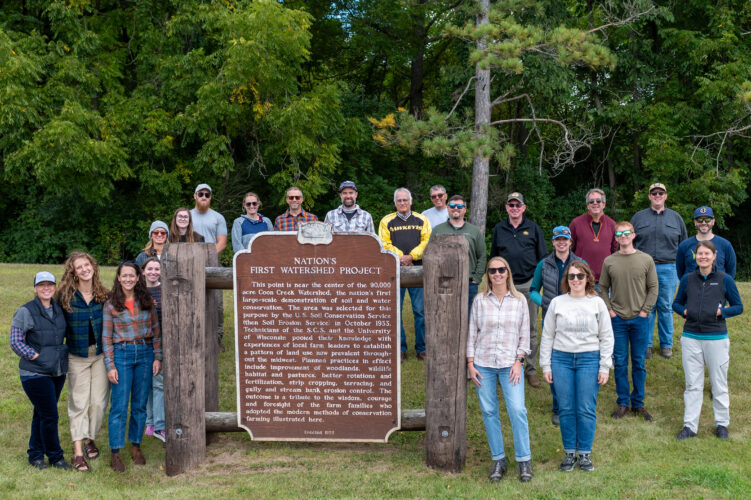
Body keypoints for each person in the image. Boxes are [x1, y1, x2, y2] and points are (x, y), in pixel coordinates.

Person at [540, 261, 613, 472]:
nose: (575, 280)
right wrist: (546, 365)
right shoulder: (557, 303)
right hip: (561, 359)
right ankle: (570, 452)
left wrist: (604, 366)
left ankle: (585, 454)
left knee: (586, 408)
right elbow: (548, 335)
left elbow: (606, 336)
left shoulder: (597, 303)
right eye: (571, 276)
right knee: (566, 408)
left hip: (589, 358)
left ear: (588, 278)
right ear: (566, 280)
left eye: (580, 276)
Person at [467, 257, 533, 483]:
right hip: (483, 363)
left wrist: (519, 361)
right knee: (489, 412)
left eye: (501, 270)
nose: (497, 274)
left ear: (508, 273)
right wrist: (470, 363)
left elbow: (525, 333)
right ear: (488, 274)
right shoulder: (479, 300)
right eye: (492, 270)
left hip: (510, 365)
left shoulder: (519, 300)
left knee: (517, 410)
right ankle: (499, 459)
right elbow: (472, 333)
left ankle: (524, 460)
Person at [673, 241, 743, 440]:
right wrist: (684, 311)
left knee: (718, 383)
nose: (703, 257)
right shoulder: (688, 279)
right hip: (691, 337)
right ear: (695, 256)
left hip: (716, 337)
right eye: (699, 254)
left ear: (714, 256)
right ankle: (689, 426)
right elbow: (676, 304)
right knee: (692, 384)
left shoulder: (725, 279)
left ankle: (722, 424)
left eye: (707, 254)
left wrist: (722, 312)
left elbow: (738, 306)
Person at [102, 262, 162, 473]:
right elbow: (106, 338)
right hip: (122, 355)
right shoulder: (111, 304)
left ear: (138, 277)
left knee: (139, 404)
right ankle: (115, 451)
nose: (128, 279)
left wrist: (157, 357)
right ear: (119, 278)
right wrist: (110, 365)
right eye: (124, 276)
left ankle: (136, 446)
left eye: (132, 276)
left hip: (145, 354)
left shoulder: (147, 301)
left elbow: (156, 331)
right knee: (119, 405)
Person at [10, 271, 72, 470]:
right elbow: (16, 342)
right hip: (34, 373)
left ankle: (35, 455)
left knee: (42, 413)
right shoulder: (26, 311)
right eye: (41, 285)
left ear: (54, 287)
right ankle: (55, 457)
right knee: (50, 415)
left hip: (57, 371)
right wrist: (37, 357)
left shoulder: (59, 309)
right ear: (35, 288)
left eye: (50, 284)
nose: (46, 288)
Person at [55, 252, 110, 472]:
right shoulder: (65, 295)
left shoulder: (103, 294)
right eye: (79, 267)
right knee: (79, 403)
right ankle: (78, 452)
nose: (84, 269)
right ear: (73, 272)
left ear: (93, 267)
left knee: (98, 402)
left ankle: (89, 438)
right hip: (76, 356)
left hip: (99, 355)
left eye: (87, 265)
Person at [599, 221, 658, 421]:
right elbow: (602, 287)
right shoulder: (609, 261)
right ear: (615, 238)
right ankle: (623, 402)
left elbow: (653, 288)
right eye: (619, 233)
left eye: (627, 232)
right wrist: (610, 311)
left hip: (640, 319)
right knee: (621, 362)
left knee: (639, 363)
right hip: (618, 320)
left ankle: (638, 403)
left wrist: (645, 311)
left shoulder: (646, 259)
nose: (623, 236)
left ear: (633, 235)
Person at [490, 192, 547, 388]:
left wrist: (538, 284)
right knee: (505, 327)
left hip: (529, 285)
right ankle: (504, 368)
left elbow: (543, 259)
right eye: (511, 205)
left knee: (530, 328)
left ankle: (530, 370)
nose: (514, 208)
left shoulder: (533, 228)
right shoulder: (499, 229)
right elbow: (494, 259)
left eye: (518, 205)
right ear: (506, 207)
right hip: (506, 285)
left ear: (523, 208)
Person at [529, 226, 584, 426]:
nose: (561, 242)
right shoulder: (544, 264)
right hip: (551, 320)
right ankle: (558, 407)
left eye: (565, 239)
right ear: (553, 242)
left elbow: (589, 288)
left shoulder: (580, 264)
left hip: (576, 321)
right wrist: (546, 303)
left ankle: (577, 405)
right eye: (558, 239)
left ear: (571, 242)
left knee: (576, 361)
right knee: (556, 364)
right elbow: (533, 289)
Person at [631, 183, 687, 359]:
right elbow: (628, 242)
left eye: (660, 193)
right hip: (643, 268)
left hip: (669, 268)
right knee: (646, 306)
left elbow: (684, 245)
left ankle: (666, 345)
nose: (657, 195)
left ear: (665, 196)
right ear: (649, 196)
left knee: (665, 306)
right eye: (654, 193)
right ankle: (645, 345)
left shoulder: (676, 218)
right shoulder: (638, 218)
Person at [379, 188, 431, 362]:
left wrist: (412, 256)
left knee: (420, 312)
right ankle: (400, 349)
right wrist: (401, 257)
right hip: (395, 270)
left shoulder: (422, 219)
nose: (402, 203)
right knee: (396, 312)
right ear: (395, 202)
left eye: (405, 200)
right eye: (399, 200)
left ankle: (422, 349)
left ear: (411, 201)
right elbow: (384, 243)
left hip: (418, 270)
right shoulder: (387, 220)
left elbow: (427, 240)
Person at [429, 195, 486, 310]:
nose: (456, 208)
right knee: (445, 313)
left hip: (468, 282)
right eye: (452, 206)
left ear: (464, 209)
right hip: (444, 281)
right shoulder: (438, 230)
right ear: (448, 209)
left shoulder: (474, 231)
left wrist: (476, 278)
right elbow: (430, 255)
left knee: (468, 315)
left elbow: (482, 255)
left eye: (459, 206)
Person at [190, 183, 228, 349]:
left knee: (216, 303)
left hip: (213, 263)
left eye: (207, 194)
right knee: (192, 300)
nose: (204, 197)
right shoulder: (187, 216)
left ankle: (216, 338)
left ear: (210, 197)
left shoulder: (218, 217)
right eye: (201, 194)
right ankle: (194, 336)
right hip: (190, 263)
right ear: (195, 196)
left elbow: (222, 242)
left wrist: (207, 255)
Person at [569, 188, 618, 282]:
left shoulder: (612, 225)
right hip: (581, 279)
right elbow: (570, 249)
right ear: (588, 205)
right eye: (591, 201)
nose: (595, 203)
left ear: (604, 204)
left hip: (605, 280)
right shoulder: (576, 223)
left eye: (598, 200)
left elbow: (614, 251)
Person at [142, 258, 166, 443]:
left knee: (158, 383)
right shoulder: (138, 292)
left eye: (157, 268)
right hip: (143, 343)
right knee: (149, 385)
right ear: (143, 271)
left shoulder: (165, 289)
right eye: (149, 268)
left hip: (161, 341)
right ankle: (151, 422)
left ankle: (159, 424)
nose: (153, 272)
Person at [675, 206, 736, 279]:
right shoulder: (684, 245)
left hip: (718, 289)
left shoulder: (725, 245)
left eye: (707, 219)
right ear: (695, 222)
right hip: (692, 288)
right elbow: (680, 272)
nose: (703, 223)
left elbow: (731, 272)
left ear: (713, 221)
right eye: (700, 219)